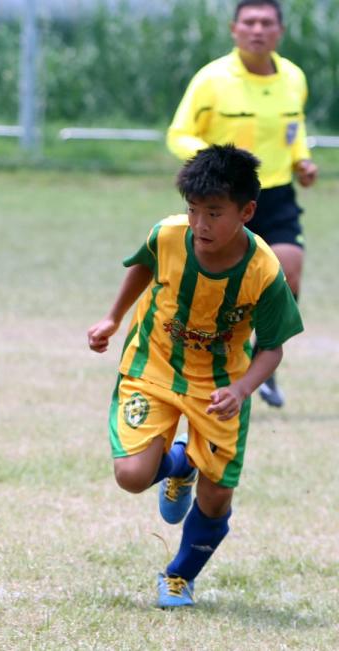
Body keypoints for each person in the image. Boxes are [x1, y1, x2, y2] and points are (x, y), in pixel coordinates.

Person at [87, 144, 302, 608]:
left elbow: (272, 346)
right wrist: (112, 318)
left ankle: (179, 576)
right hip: (155, 364)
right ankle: (178, 464)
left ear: (246, 212)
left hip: (220, 384)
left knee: (218, 494)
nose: (200, 224)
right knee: (130, 475)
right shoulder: (168, 235)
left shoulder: (264, 271)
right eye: (193, 210)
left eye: (214, 213)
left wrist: (243, 389)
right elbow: (144, 265)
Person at [166, 0, 316, 408]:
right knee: (212, 286)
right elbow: (178, 134)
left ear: (279, 32)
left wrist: (301, 158)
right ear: (234, 29)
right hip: (224, 201)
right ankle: (209, 362)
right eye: (249, 22)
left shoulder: (293, 78)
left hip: (278, 193)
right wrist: (217, 168)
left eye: (266, 22)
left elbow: (292, 127)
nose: (257, 29)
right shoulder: (211, 79)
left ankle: (263, 363)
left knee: (289, 272)